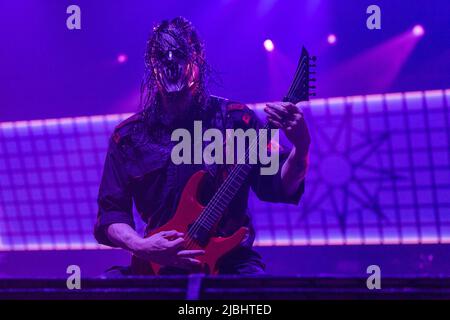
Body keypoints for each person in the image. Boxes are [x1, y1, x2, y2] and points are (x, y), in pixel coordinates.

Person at [94, 17, 311, 276]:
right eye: (163, 57)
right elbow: (111, 214)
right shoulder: (128, 137)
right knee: (105, 286)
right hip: (157, 262)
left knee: (257, 292)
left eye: (181, 55)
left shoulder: (237, 121)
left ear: (197, 58)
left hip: (230, 262)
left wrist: (301, 146)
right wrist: (141, 245)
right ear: (152, 64)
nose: (172, 64)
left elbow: (279, 186)